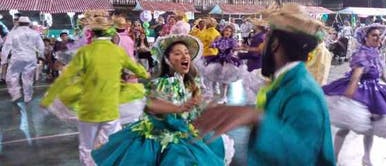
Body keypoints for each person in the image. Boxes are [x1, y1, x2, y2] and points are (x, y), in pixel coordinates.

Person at [194, 3, 335, 165]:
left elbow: (304, 156)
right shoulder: (286, 83)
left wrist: (258, 117)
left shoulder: (302, 92)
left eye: (266, 39)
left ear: (274, 45)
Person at [92, 34, 234, 166]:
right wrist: (179, 110)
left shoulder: (190, 82)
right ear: (167, 59)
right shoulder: (162, 83)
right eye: (177, 53)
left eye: (186, 52)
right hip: (163, 137)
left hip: (184, 130)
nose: (185, 56)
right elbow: (154, 108)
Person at [40, 14, 149, 166]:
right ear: (110, 32)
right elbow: (139, 70)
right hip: (110, 108)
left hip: (88, 110)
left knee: (86, 147)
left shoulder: (85, 52)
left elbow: (65, 77)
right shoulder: (117, 52)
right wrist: (144, 73)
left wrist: (48, 98)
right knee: (112, 146)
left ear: (92, 33)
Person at [323, 23, 386, 166]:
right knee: (345, 127)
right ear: (366, 38)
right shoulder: (362, 53)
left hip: (374, 92)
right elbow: (356, 77)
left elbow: (384, 75)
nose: (378, 38)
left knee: (369, 129)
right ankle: (334, 158)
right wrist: (348, 97)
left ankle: (366, 159)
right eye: (374, 35)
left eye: (379, 36)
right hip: (360, 92)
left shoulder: (376, 53)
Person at [1, 16, 44, 103]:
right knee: (28, 78)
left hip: (17, 58)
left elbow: (6, 47)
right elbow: (41, 46)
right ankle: (27, 97)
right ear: (29, 24)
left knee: (11, 77)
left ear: (19, 23)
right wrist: (41, 56)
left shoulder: (13, 33)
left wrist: (4, 60)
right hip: (31, 58)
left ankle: (15, 94)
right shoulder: (34, 33)